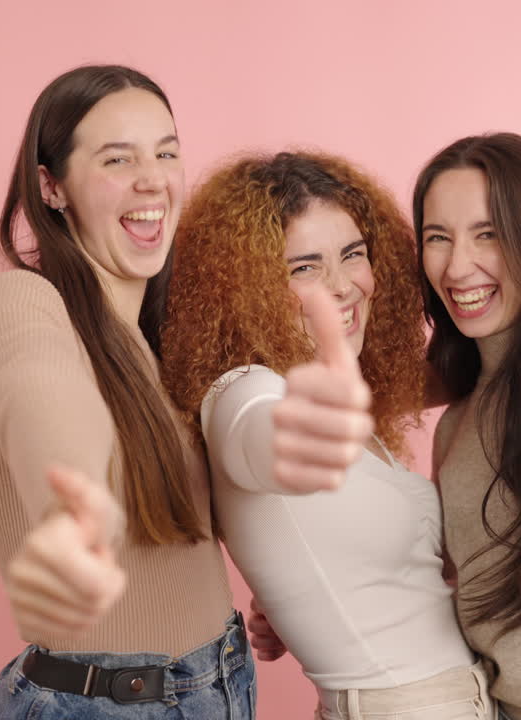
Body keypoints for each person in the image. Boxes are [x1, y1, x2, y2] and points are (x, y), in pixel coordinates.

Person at [0, 65, 368, 719]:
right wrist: (78, 507)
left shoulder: (173, 339)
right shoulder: (22, 302)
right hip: (103, 704)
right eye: (117, 159)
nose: (153, 179)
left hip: (220, 686)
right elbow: (42, 398)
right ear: (51, 186)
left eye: (166, 152)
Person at [251, 134, 521, 720]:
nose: (458, 267)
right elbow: (443, 572)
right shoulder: (458, 421)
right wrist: (306, 588)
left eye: (488, 234)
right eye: (438, 238)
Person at [160, 151, 495, 720]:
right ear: (247, 288)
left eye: (353, 255)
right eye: (304, 267)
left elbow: (473, 371)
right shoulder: (244, 391)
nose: (343, 286)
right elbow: (260, 437)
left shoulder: (329, 388)